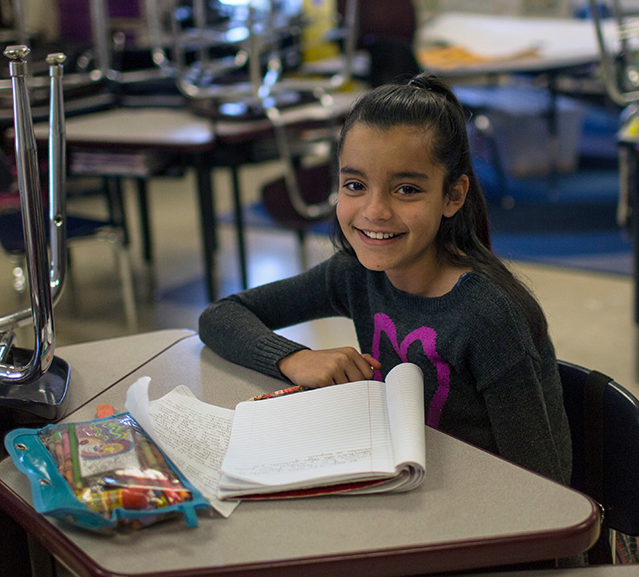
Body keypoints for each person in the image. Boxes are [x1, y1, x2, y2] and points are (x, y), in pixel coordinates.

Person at [198, 76, 572, 485]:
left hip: (477, 522)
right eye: (355, 185)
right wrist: (295, 358)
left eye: (406, 189)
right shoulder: (355, 274)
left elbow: (546, 490)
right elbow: (221, 315)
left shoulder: (486, 316)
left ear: (453, 196)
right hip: (401, 492)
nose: (374, 211)